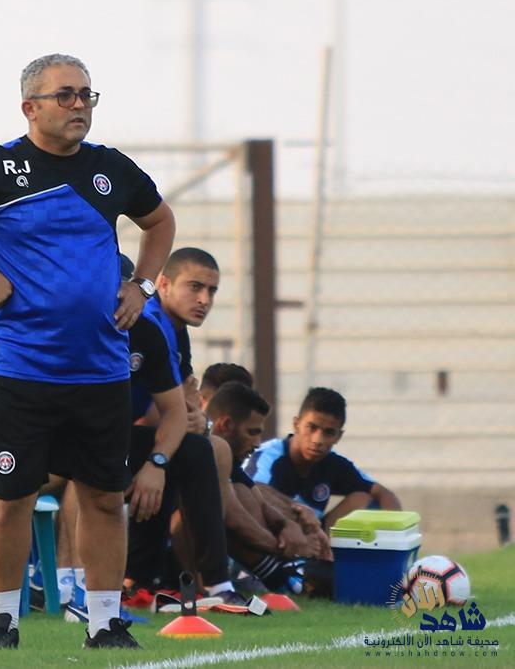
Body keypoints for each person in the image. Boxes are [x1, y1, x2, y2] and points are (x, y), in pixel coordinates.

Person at [0, 53, 175, 649]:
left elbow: (160, 222)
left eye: (86, 95)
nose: (80, 106)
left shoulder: (110, 168)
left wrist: (143, 286)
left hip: (102, 370)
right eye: (65, 95)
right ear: (30, 107)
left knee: (104, 498)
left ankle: (104, 623)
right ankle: (3, 621)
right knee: (12, 496)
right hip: (22, 369)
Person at [121, 247, 250, 611]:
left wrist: (189, 419)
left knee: (191, 447)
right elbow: (162, 414)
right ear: (163, 284)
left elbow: (188, 408)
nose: (204, 300)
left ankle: (142, 580)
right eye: (195, 287)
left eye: (212, 291)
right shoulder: (149, 323)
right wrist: (182, 422)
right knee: (193, 450)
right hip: (99, 438)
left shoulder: (177, 332)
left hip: (132, 437)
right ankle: (216, 580)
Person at [206, 381, 331, 593]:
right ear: (226, 425)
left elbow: (258, 498)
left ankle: (282, 573)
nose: (257, 443)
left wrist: (286, 525)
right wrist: (285, 548)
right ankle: (278, 574)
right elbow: (232, 518)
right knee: (227, 503)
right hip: (171, 554)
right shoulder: (207, 448)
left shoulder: (229, 458)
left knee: (244, 491)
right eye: (252, 432)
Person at [246, 387, 402, 532]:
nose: (318, 440)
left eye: (328, 432)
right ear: (296, 424)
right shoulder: (268, 457)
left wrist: (395, 534)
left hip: (311, 537)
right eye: (312, 428)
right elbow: (252, 495)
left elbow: (384, 493)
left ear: (338, 436)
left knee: (363, 499)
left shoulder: (333, 463)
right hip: (267, 538)